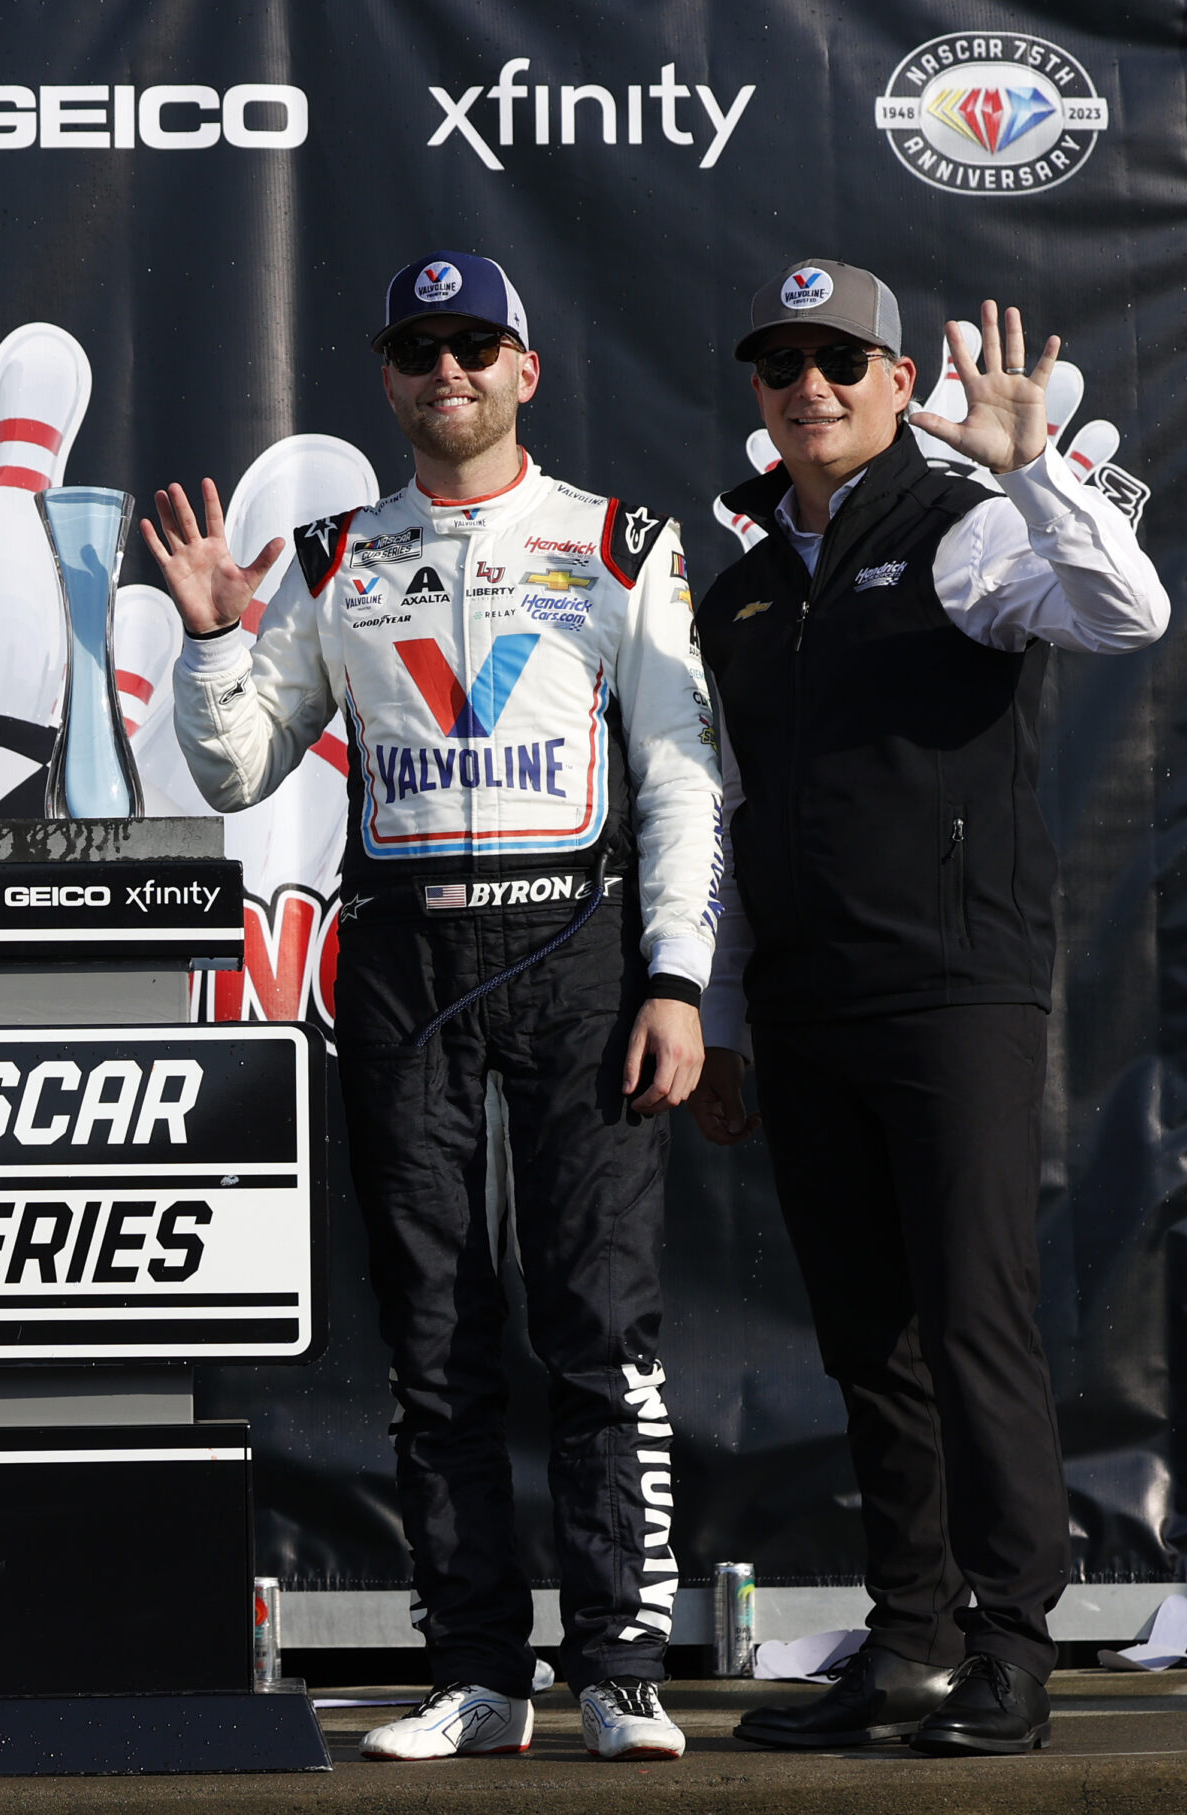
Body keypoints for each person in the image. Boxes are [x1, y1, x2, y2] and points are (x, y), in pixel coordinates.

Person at [146, 252, 721, 1763]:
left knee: (601, 1326)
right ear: (389, 380)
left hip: (578, 956)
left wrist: (676, 979)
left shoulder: (615, 542)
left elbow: (679, 774)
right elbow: (234, 773)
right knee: (435, 1336)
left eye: (475, 344)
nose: (446, 369)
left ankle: (620, 1665)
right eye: (418, 347)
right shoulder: (337, 556)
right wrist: (212, 638)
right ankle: (476, 1669)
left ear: (527, 369)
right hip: (403, 959)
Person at [686, 261, 1169, 1757]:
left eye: (842, 362)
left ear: (901, 384)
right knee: (867, 1340)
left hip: (953, 989)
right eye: (784, 367)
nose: (811, 389)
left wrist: (1031, 475)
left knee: (973, 1322)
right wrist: (719, 1010)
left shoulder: (968, 530)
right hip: (806, 1000)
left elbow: (1127, 611)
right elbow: (723, 810)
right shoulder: (747, 583)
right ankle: (911, 1639)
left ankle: (1015, 1643)